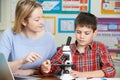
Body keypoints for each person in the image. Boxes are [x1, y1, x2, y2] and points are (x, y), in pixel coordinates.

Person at [39, 12, 116, 78]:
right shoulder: (66, 48)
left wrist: (83, 75)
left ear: (95, 33)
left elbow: (111, 70)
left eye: (87, 33)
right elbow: (53, 67)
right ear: (75, 30)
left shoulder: (100, 47)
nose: (82, 36)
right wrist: (46, 68)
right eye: (78, 32)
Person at [0, 0, 56, 76]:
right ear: (24, 22)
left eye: (42, 17)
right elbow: (1, 68)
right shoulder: (8, 35)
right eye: (37, 20)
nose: (42, 22)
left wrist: (32, 71)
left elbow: (53, 69)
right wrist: (23, 61)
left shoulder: (50, 39)